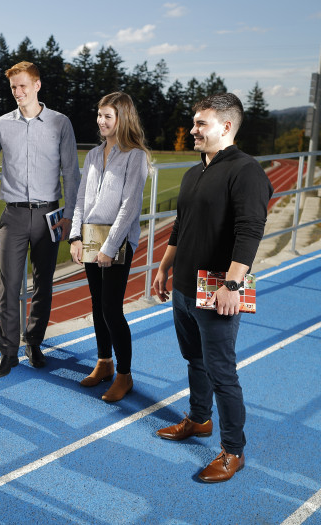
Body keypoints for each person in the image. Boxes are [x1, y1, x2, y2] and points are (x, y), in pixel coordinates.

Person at [152, 93, 273, 483]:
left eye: (201, 124)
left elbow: (250, 231)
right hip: (186, 288)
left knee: (222, 372)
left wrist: (233, 284)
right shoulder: (194, 172)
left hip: (218, 289)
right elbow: (180, 227)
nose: (192, 130)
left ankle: (232, 451)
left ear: (226, 126)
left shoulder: (247, 171)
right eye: (194, 123)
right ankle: (199, 420)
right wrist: (163, 267)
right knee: (195, 360)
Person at [0, 61, 80, 378]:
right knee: (9, 286)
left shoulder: (61, 123)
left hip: (51, 214)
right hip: (14, 216)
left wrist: (70, 216)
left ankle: (34, 342)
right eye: (13, 88)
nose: (18, 92)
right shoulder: (2, 124)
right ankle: (8, 354)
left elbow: (71, 174)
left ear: (37, 85)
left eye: (22, 86)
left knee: (44, 284)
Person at [69, 92, 151, 402]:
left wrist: (110, 246)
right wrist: (76, 237)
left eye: (108, 116)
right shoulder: (92, 155)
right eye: (100, 115)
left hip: (116, 240)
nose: (101, 121)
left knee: (111, 309)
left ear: (123, 119)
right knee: (96, 304)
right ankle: (103, 363)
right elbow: (79, 199)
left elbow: (129, 206)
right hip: (90, 236)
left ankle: (124, 375)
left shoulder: (135, 156)